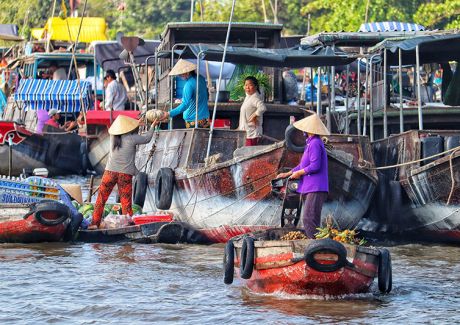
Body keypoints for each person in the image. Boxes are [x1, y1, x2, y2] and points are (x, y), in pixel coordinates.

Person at [88, 115, 158, 229]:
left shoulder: (113, 137)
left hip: (109, 173)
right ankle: (128, 225)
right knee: (126, 202)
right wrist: (153, 126)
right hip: (124, 174)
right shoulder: (132, 138)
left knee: (101, 199)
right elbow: (147, 138)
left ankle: (94, 224)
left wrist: (136, 124)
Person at [276, 114, 330, 237]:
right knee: (311, 219)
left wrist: (299, 174)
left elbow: (315, 166)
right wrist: (287, 174)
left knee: (308, 219)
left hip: (316, 187)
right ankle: (315, 244)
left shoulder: (316, 143)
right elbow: (302, 165)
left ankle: (314, 246)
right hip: (311, 187)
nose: (302, 131)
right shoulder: (310, 144)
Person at [161, 59, 209, 128]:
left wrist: (169, 113)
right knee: (204, 138)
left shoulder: (188, 85)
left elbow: (185, 104)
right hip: (205, 118)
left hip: (193, 121)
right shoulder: (201, 78)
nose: (180, 76)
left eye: (180, 74)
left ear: (186, 73)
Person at [238, 76, 266, 146]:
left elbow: (262, 107)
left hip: (252, 133)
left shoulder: (254, 98)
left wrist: (254, 115)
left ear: (255, 87)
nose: (247, 87)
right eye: (246, 85)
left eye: (250, 85)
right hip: (246, 132)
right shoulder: (248, 97)